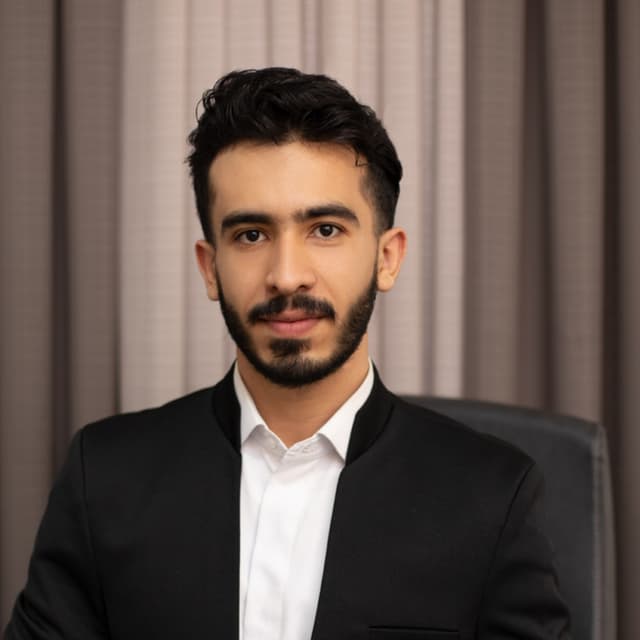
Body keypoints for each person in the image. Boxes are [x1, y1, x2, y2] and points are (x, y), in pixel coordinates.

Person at [5, 67, 570, 640]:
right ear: (210, 267)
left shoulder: (493, 497)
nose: (287, 275)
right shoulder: (103, 478)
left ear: (387, 258)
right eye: (251, 235)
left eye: (325, 230)